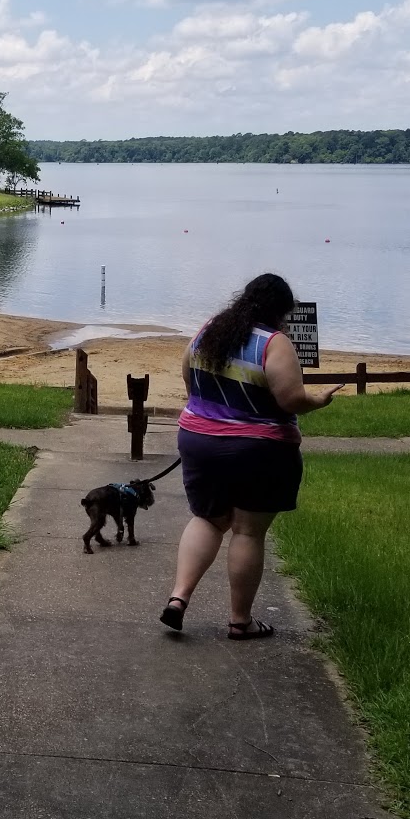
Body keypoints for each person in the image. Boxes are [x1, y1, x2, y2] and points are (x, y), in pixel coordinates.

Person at [159, 273, 342, 639]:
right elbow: (291, 399)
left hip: (198, 440)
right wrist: (319, 401)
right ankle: (240, 621)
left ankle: (178, 599)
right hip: (259, 449)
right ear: (280, 311)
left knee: (208, 519)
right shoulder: (274, 344)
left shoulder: (209, 330)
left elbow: (189, 380)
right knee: (247, 531)